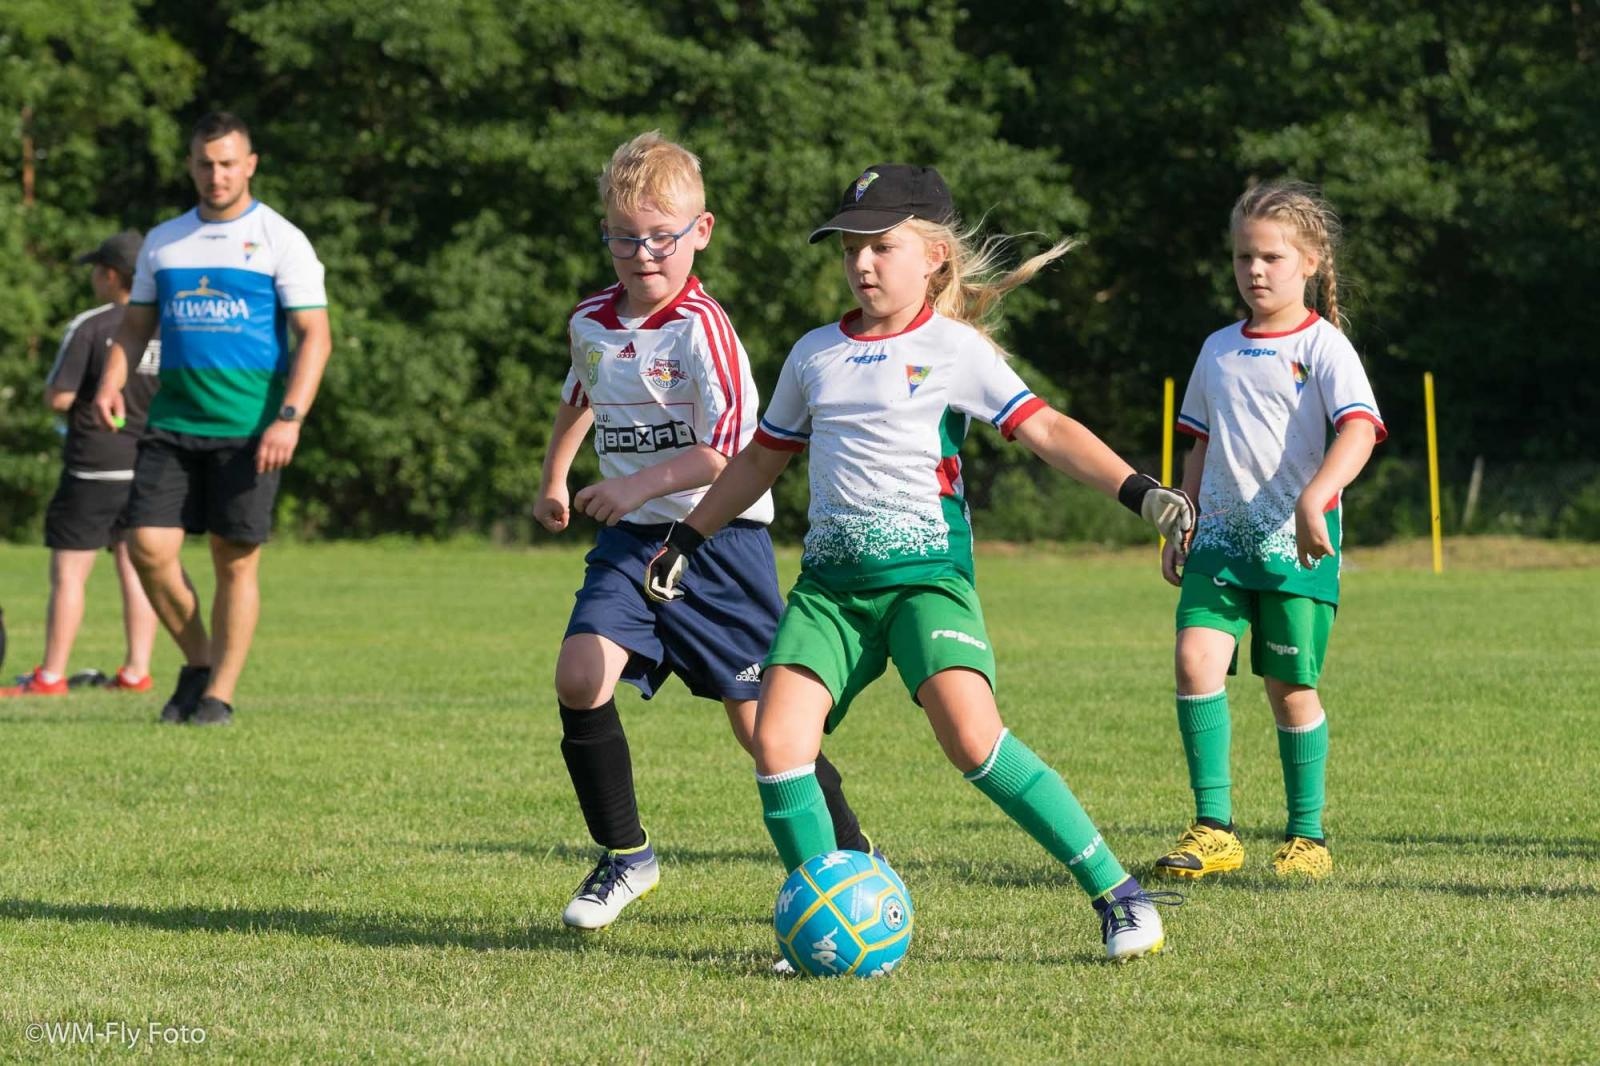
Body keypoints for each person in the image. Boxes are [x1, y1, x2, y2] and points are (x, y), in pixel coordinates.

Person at [644, 164, 1194, 961]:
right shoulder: (814, 355)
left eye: (881, 247)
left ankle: (1120, 895)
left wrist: (1142, 492)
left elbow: (1047, 431)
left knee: (974, 741)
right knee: (776, 744)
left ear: (934, 254)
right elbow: (759, 461)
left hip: (925, 584)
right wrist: (687, 537)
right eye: (850, 249)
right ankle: (825, 916)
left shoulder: (955, 349)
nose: (862, 263)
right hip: (830, 594)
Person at [536, 131, 876, 931]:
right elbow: (579, 395)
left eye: (662, 237)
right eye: (625, 237)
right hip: (630, 544)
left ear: (702, 231)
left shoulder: (704, 328)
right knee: (579, 674)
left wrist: (632, 485)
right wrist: (556, 476)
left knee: (766, 730)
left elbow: (724, 450)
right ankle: (625, 856)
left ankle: (851, 859)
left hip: (717, 542)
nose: (643, 254)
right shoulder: (589, 320)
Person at [1152, 179, 1383, 882]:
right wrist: (1179, 520)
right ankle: (1214, 828)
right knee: (1195, 660)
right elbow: (1198, 442)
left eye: (1272, 257)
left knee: (1288, 688)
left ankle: (1307, 835)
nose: (1255, 270)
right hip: (1219, 545)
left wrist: (1318, 498)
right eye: (1244, 257)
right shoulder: (1218, 349)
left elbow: (1361, 430)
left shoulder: (1325, 347)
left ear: (1310, 261)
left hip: (1295, 550)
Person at [91, 111, 331, 726]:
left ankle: (218, 695)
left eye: (228, 162)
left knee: (235, 558)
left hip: (250, 430)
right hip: (171, 422)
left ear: (249, 164)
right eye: (205, 162)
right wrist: (113, 382)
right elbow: (135, 325)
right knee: (146, 546)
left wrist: (289, 418)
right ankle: (199, 660)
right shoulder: (165, 241)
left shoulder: (281, 238)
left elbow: (315, 337)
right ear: (191, 165)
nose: (216, 174)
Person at [2, 231, 172, 698]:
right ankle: (137, 671)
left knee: (69, 573)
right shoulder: (168, 323)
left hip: (94, 465)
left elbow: (59, 396)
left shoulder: (92, 326)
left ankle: (51, 675)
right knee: (137, 569)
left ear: (111, 275)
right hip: (150, 464)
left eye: (97, 269)